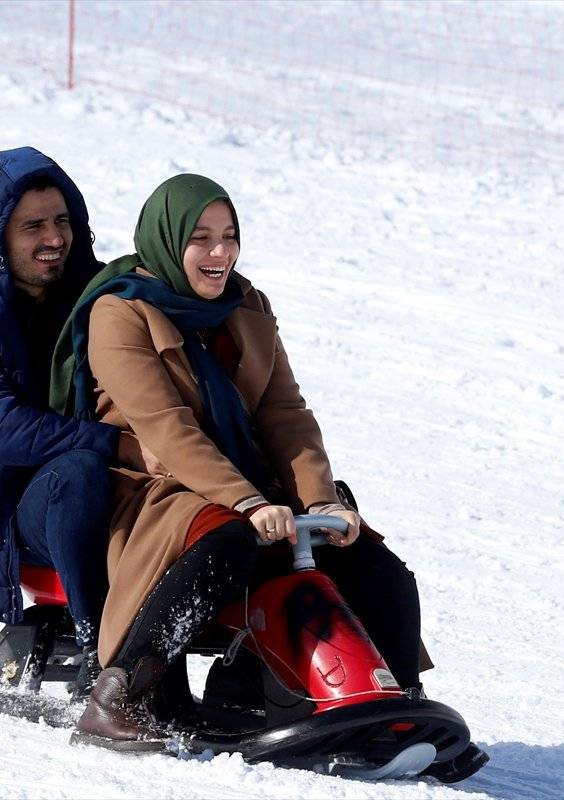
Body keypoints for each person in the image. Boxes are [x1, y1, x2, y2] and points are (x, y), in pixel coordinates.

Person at [49, 174, 425, 746]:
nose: (219, 252)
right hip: (155, 484)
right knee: (229, 543)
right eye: (201, 237)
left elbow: (285, 414)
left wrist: (319, 499)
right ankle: (119, 695)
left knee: (372, 562)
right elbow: (165, 428)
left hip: (246, 481)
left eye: (229, 235)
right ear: (169, 240)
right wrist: (248, 501)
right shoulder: (119, 312)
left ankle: (395, 708)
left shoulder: (248, 306)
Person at [0, 146, 140, 695]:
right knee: (79, 470)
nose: (55, 238)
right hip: (18, 514)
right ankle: (104, 659)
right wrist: (119, 445)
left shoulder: (103, 294)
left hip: (122, 487)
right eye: (33, 226)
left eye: (63, 220)